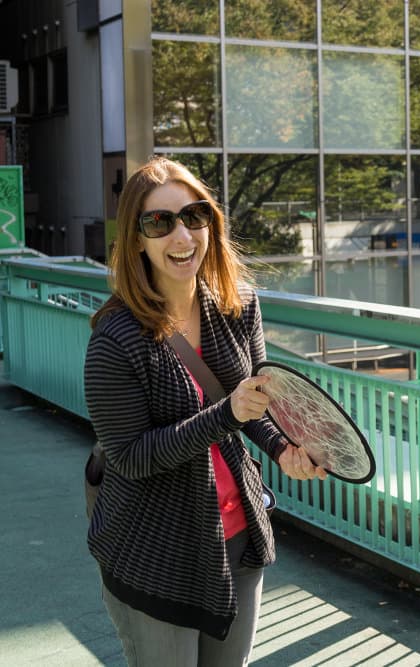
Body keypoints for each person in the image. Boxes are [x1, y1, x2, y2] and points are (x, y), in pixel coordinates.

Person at [84, 156, 327, 666]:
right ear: (135, 239)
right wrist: (227, 414)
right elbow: (130, 456)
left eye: (194, 216)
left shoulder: (238, 304)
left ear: (210, 225)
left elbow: (255, 403)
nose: (182, 236)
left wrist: (284, 449)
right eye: (159, 221)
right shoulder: (114, 339)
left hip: (238, 534)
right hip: (155, 551)